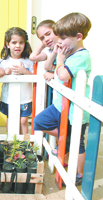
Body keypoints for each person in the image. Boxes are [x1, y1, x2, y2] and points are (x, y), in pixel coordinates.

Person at [33, 12, 92, 185]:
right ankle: (64, 140)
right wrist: (55, 63)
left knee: (78, 144)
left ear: (78, 36)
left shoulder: (82, 56)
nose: (59, 41)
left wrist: (59, 60)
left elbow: (64, 74)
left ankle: (79, 173)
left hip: (75, 110)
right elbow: (53, 69)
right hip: (60, 105)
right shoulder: (69, 52)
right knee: (39, 122)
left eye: (63, 37)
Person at [0, 27, 34, 135]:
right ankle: (12, 141)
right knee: (11, 119)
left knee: (23, 120)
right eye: (14, 42)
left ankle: (24, 142)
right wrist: (5, 72)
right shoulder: (4, 62)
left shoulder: (28, 61)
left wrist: (24, 71)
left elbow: (34, 77)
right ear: (8, 44)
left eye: (21, 42)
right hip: (9, 97)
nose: (18, 46)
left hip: (25, 97)